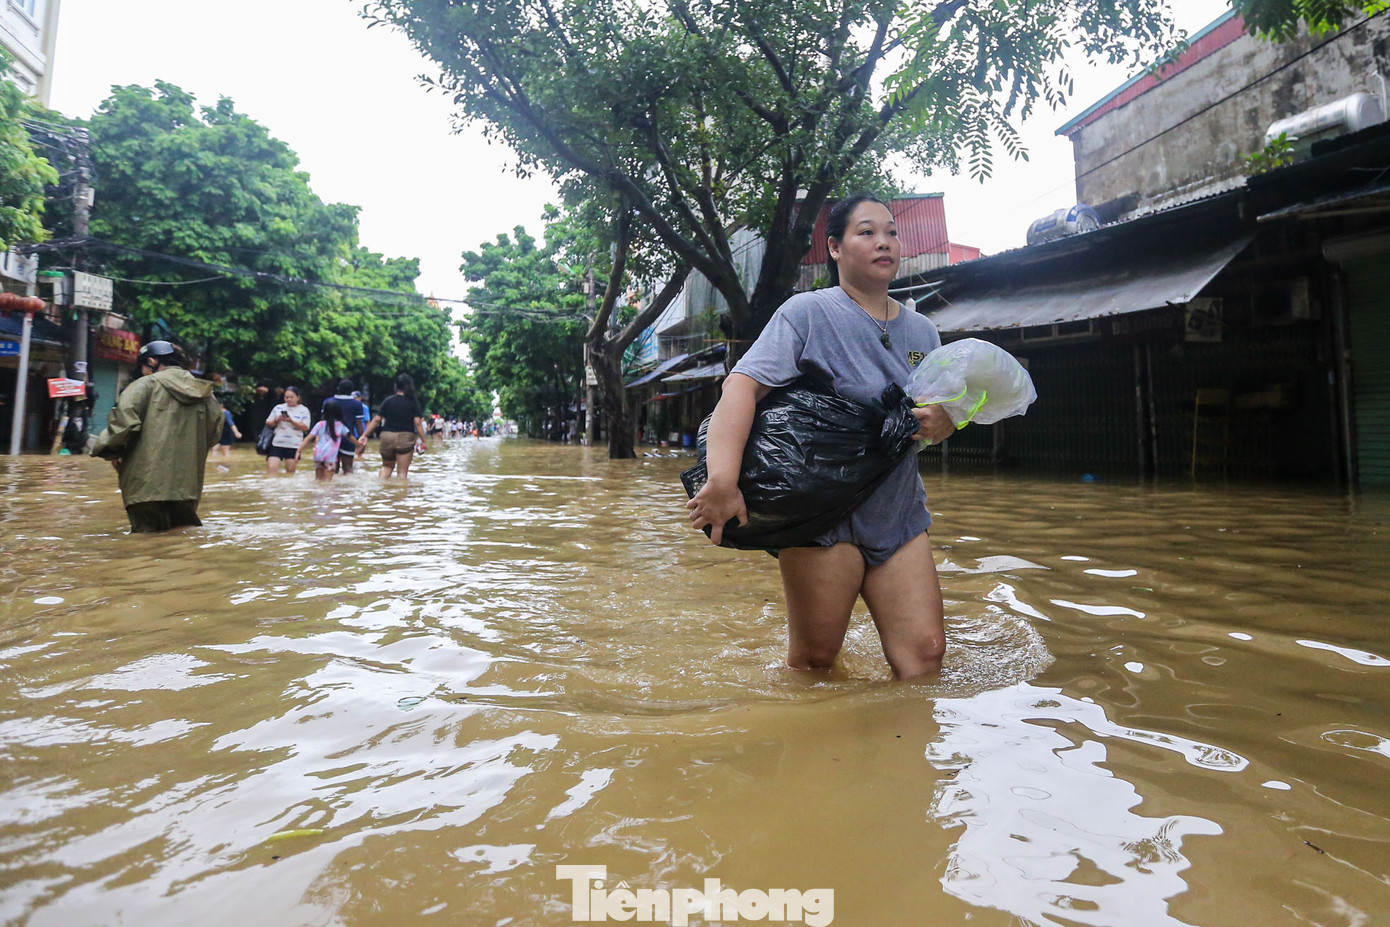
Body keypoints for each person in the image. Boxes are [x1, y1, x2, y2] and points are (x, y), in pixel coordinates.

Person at [686, 193, 957, 680]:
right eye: (867, 232)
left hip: (898, 514)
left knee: (926, 657)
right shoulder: (807, 313)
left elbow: (940, 415)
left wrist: (947, 421)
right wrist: (722, 481)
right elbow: (741, 387)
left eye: (892, 232)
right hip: (822, 516)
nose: (884, 242)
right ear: (834, 248)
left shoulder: (924, 333)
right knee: (815, 664)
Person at [89, 340, 223, 533]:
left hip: (144, 484)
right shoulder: (206, 394)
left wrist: (108, 450)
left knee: (146, 541)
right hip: (187, 487)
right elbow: (214, 434)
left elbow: (122, 426)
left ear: (151, 361)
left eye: (142, 367)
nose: (142, 372)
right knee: (181, 537)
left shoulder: (143, 385)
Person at [357, 373, 428, 478]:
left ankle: (381, 486)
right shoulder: (413, 402)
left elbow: (377, 420)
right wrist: (424, 441)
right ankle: (400, 488)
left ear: (396, 386)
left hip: (387, 437)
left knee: (386, 466)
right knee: (402, 472)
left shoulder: (388, 401)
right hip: (405, 438)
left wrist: (364, 435)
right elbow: (417, 423)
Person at [298, 400, 359, 482]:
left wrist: (298, 451)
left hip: (318, 456)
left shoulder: (320, 424)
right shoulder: (340, 425)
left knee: (318, 480)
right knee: (327, 482)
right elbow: (350, 437)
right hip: (330, 458)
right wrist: (359, 445)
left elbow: (308, 438)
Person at [322, 379, 367, 474]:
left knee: (332, 470)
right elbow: (359, 425)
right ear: (351, 391)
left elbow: (323, 422)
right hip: (348, 439)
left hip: (331, 438)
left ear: (338, 388)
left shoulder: (328, 402)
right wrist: (362, 440)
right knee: (348, 469)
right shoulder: (357, 404)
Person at [265, 385, 311, 475]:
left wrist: (291, 421)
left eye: (291, 397)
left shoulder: (304, 410)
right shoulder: (278, 408)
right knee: (271, 469)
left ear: (298, 397)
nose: (289, 399)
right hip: (277, 443)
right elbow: (268, 423)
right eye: (286, 397)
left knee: (290, 472)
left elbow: (306, 427)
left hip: (294, 445)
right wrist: (277, 420)